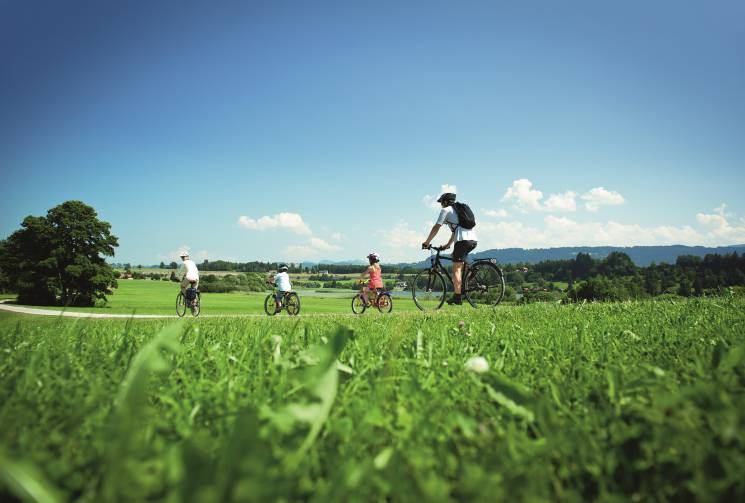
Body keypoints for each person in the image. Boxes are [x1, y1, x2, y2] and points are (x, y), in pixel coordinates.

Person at [421, 192, 477, 305]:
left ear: (445, 202)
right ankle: (470, 271)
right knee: (454, 257)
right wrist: (447, 245)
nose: (441, 205)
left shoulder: (446, 210)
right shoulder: (458, 211)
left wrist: (427, 242)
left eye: (441, 202)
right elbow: (455, 231)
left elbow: (436, 227)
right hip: (472, 240)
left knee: (456, 269)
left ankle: (457, 297)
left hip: (462, 241)